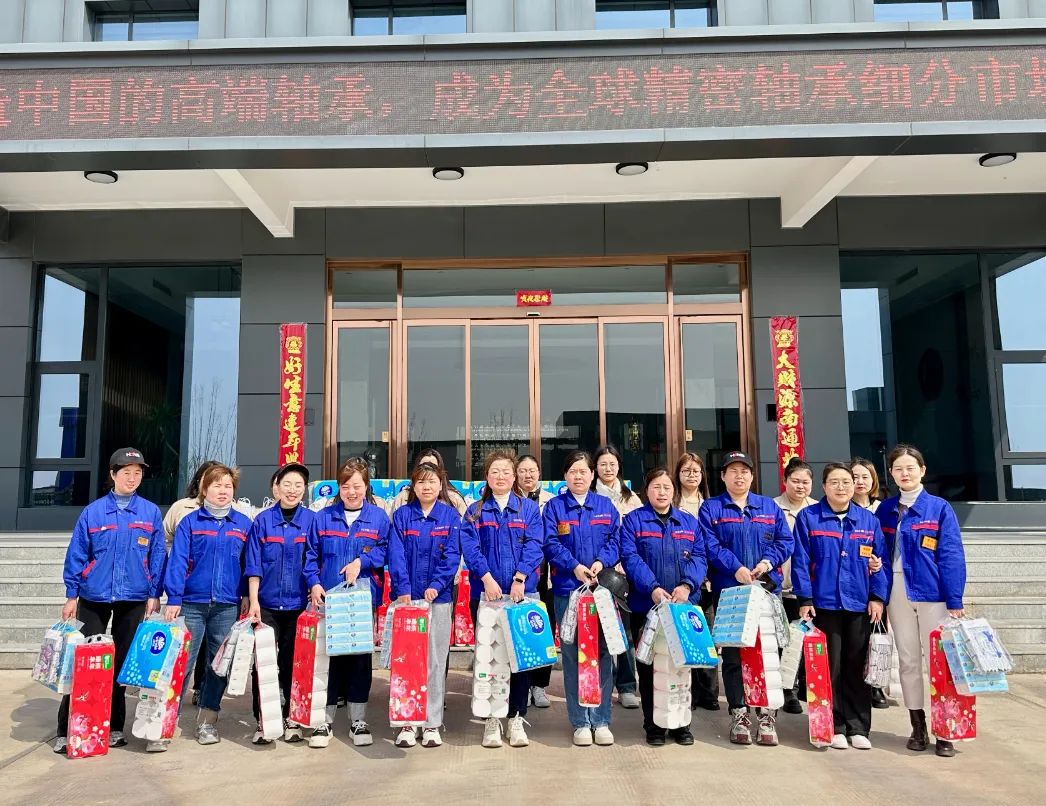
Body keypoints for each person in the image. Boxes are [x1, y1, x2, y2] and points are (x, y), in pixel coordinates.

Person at [55, 448, 166, 755]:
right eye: (126, 472)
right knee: (85, 663)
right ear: (113, 474)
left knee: (120, 664)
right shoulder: (93, 512)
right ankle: (68, 729)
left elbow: (158, 554)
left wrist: (154, 592)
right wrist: (71, 594)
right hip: (94, 595)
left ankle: (114, 727)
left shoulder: (150, 513)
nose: (132, 478)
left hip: (134, 596)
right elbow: (77, 553)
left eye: (138, 473)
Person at [876, 444, 967, 758]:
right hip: (896, 591)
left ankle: (945, 730)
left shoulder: (939, 508)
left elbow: (951, 554)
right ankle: (918, 726)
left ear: (922, 471)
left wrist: (954, 598)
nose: (905, 473)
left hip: (934, 594)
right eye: (898, 469)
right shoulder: (885, 510)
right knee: (909, 661)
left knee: (939, 662)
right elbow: (878, 552)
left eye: (910, 468)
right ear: (891, 473)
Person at [699, 450, 793, 747]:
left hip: (765, 591)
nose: (739, 476)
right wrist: (735, 568)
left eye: (744, 471)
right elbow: (709, 545)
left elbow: (785, 541)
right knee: (733, 656)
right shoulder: (711, 508)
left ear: (752, 476)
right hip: (731, 593)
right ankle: (739, 713)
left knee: (767, 653)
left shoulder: (768, 506)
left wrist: (766, 562)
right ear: (723, 476)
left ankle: (766, 714)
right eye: (733, 471)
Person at [792, 463, 887, 750]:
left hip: (859, 604)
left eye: (846, 481)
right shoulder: (809, 517)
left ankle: (858, 727)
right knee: (829, 668)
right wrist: (805, 599)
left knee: (856, 666)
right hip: (824, 605)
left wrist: (877, 596)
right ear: (824, 487)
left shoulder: (868, 521)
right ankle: (833, 726)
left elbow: (879, 561)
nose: (841, 487)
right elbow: (800, 561)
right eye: (834, 482)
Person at [304, 457, 391, 749]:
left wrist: (361, 561)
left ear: (366, 487)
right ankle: (324, 721)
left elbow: (385, 551)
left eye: (357, 486)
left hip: (361, 601)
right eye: (345, 486)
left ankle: (358, 720)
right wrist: (314, 583)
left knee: (359, 660)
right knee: (328, 660)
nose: (351, 492)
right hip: (328, 600)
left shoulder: (378, 519)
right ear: (338, 488)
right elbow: (310, 556)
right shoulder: (322, 518)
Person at [164, 463, 252, 748]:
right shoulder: (190, 522)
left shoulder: (243, 524)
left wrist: (246, 595)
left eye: (228, 486)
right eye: (217, 485)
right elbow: (177, 561)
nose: (223, 491)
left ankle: (207, 722)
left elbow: (249, 564)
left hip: (227, 606)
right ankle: (165, 721)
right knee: (181, 664)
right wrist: (174, 597)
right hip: (192, 603)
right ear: (204, 489)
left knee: (218, 665)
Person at [459, 449, 544, 749]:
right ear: (487, 477)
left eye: (506, 471)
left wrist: (520, 578)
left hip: (522, 594)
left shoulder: (528, 509)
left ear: (514, 476)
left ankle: (516, 717)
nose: (501, 476)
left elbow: (535, 544)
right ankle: (492, 720)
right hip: (487, 595)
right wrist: (486, 577)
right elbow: (470, 548)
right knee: (490, 657)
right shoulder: (475, 511)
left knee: (520, 659)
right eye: (494, 471)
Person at [620, 467, 707, 747]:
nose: (662, 492)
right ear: (646, 491)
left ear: (674, 491)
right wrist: (653, 588)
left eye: (667, 487)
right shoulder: (634, 521)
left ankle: (681, 724)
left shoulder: (689, 522)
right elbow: (630, 558)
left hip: (682, 606)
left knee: (682, 665)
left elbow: (700, 557)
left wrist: (687, 586)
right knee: (651, 668)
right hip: (647, 606)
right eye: (656, 487)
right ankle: (654, 724)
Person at [544, 450, 621, 748]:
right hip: (568, 591)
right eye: (573, 471)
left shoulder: (605, 506)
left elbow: (616, 540)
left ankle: (601, 719)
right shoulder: (555, 507)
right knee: (572, 654)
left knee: (602, 653)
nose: (579, 476)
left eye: (584, 471)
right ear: (565, 476)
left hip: (601, 591)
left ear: (592, 475)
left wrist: (601, 562)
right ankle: (580, 722)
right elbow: (550, 543)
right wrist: (574, 567)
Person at [388, 463, 462, 749]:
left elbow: (452, 555)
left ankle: (431, 723)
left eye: (432, 481)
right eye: (421, 482)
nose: (426, 487)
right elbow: (395, 554)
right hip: (408, 600)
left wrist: (437, 584)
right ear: (413, 486)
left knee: (435, 661)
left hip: (438, 600)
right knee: (407, 661)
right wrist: (403, 588)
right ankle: (407, 722)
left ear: (440, 485)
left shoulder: (450, 516)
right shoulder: (402, 516)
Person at [244, 462, 314, 746]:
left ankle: (292, 718)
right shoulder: (262, 522)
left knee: (293, 664)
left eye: (298, 485)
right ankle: (263, 720)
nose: (292, 490)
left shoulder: (312, 521)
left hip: (299, 606)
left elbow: (315, 562)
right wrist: (254, 601)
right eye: (287, 484)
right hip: (267, 605)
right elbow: (254, 564)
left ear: (304, 489)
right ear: (276, 487)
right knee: (263, 665)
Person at [592, 445, 641, 710]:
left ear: (619, 466)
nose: (608, 469)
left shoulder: (631, 498)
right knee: (594, 633)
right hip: (594, 572)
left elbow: (637, 536)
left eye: (612, 464)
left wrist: (627, 563)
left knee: (624, 630)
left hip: (623, 573)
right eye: (603, 464)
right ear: (595, 468)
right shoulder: (588, 496)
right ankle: (599, 685)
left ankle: (626, 686)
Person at [672, 452, 719, 712]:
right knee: (683, 635)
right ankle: (686, 691)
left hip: (706, 581)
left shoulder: (710, 505)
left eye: (696, 471)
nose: (692, 475)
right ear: (677, 474)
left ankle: (709, 692)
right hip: (678, 581)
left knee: (705, 634)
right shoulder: (672, 502)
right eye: (686, 470)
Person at [771, 456, 818, 715]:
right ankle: (786, 690)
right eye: (795, 481)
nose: (800, 486)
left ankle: (802, 686)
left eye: (805, 482)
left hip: (809, 589)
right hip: (781, 586)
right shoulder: (772, 508)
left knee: (804, 638)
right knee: (784, 640)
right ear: (785, 481)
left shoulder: (818, 509)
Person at [516, 454, 555, 708]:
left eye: (532, 470)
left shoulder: (550, 501)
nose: (528, 475)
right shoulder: (510, 500)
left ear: (539, 473)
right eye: (523, 470)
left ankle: (539, 686)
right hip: (519, 577)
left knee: (543, 630)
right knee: (520, 629)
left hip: (546, 575)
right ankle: (521, 685)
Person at [851, 456, 889, 708]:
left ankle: (876, 684)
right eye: (854, 477)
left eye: (865, 476)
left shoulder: (883, 509)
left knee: (878, 634)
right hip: (852, 582)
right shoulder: (842, 508)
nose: (860, 482)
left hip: (878, 578)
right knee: (857, 639)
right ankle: (857, 683)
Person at [387, 448, 468, 515]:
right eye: (424, 466)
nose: (428, 471)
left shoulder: (453, 498)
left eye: (433, 467)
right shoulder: (403, 497)